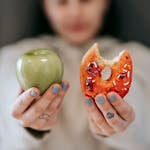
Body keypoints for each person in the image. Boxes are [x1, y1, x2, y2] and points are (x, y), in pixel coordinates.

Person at [0, 0, 150, 149]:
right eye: (61, 2)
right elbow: (8, 98)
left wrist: (122, 121)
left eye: (86, 0)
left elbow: (139, 106)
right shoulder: (11, 57)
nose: (75, 13)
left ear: (105, 2)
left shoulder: (140, 58)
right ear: (45, 6)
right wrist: (25, 124)